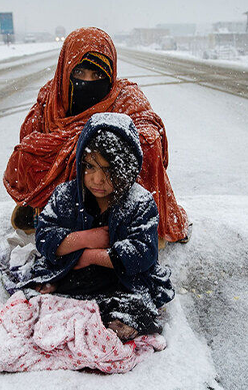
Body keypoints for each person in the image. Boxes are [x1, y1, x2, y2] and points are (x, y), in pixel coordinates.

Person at [4, 27, 189, 245]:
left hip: (115, 194)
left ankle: (128, 220)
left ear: (110, 75)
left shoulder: (124, 96)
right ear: (66, 71)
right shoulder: (52, 98)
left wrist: (101, 144)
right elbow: (28, 141)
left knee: (141, 148)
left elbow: (148, 127)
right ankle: (50, 206)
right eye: (79, 73)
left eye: (98, 75)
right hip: (65, 199)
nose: (88, 81)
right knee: (28, 155)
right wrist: (72, 147)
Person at [21, 112, 174, 341]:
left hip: (121, 281)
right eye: (90, 167)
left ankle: (108, 320)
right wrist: (86, 239)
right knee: (34, 303)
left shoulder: (140, 203)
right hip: (73, 274)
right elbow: (44, 238)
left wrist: (92, 256)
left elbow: (143, 253)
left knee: (134, 311)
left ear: (127, 169)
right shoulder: (65, 196)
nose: (97, 179)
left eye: (109, 170)